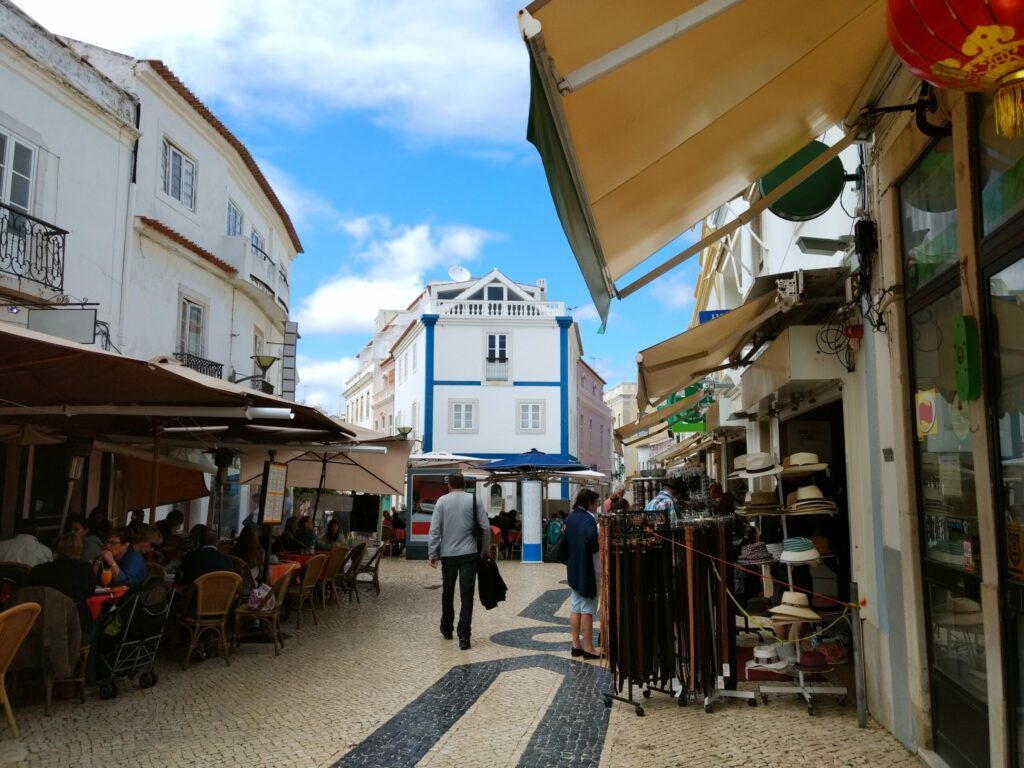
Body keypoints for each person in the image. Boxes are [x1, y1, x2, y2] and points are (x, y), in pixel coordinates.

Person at [428, 473, 490, 650]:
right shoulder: (474, 500)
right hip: (469, 554)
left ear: (449, 486)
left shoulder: (441, 501)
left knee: (447, 591)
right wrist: (485, 549)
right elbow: (485, 528)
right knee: (467, 594)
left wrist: (433, 553)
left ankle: (447, 628)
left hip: (448, 555)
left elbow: (434, 531)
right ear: (464, 485)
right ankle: (464, 636)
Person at [26, 533, 95, 633]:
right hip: (76, 626)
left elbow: (29, 595)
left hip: (42, 625)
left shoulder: (39, 570)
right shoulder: (86, 569)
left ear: (55, 550)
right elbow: (90, 593)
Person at [566, 488, 601, 660]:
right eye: (596, 503)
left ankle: (576, 645)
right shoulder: (588, 519)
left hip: (573, 567)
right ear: (589, 502)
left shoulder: (571, 516)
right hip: (587, 568)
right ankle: (589, 647)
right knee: (588, 608)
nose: (597, 506)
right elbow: (591, 540)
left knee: (576, 606)